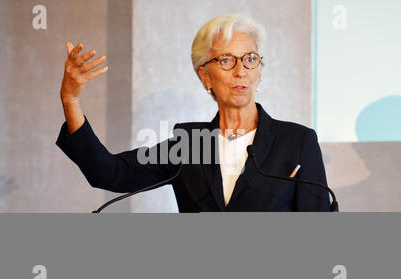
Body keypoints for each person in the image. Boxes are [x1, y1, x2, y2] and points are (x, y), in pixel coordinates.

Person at [56, 13, 331, 212]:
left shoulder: (297, 142)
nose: (240, 70)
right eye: (226, 60)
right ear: (205, 76)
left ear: (259, 71)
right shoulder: (190, 145)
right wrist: (71, 100)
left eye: (250, 59)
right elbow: (110, 173)